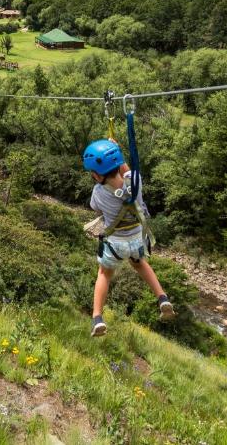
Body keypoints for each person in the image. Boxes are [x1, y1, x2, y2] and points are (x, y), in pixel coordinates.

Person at [83, 138, 174, 337]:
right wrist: (116, 151)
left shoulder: (98, 192)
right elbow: (127, 171)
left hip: (116, 243)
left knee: (104, 274)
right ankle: (162, 298)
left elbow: (94, 207)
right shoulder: (136, 181)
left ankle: (97, 317)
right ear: (118, 164)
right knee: (140, 264)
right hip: (137, 240)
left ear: (97, 176)